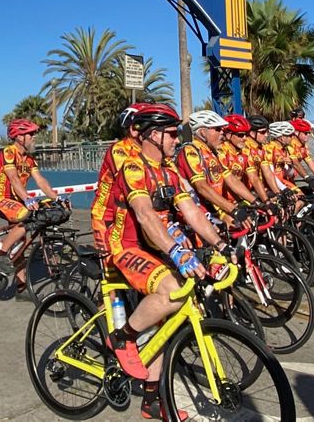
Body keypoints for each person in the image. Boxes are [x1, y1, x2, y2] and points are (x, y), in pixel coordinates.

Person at [103, 106, 228, 419]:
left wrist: (220, 244)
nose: (177, 139)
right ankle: (122, 338)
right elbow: (145, 214)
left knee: (165, 321)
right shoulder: (133, 166)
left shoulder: (169, 171)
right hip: (124, 244)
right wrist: (177, 252)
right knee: (171, 290)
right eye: (171, 134)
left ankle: (151, 399)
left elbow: (193, 213)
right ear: (151, 135)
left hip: (152, 244)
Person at [0, 119, 60, 291]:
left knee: (22, 244)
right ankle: (1, 254)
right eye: (31, 134)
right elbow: (13, 178)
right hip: (2, 198)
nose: (34, 137)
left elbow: (41, 181)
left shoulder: (29, 159)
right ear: (20, 137)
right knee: (26, 216)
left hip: (19, 200)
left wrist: (57, 198)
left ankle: (21, 286)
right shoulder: (8, 152)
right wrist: (28, 199)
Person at [177, 110, 257, 227]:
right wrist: (232, 210)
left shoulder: (214, 153)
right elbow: (202, 188)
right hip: (198, 210)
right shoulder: (191, 151)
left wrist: (256, 202)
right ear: (203, 132)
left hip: (216, 206)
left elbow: (231, 180)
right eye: (218, 129)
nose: (222, 133)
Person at [90, 104, 147, 258]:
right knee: (109, 262)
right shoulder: (119, 149)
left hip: (126, 213)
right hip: (106, 214)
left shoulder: (146, 151)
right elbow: (131, 179)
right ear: (133, 129)